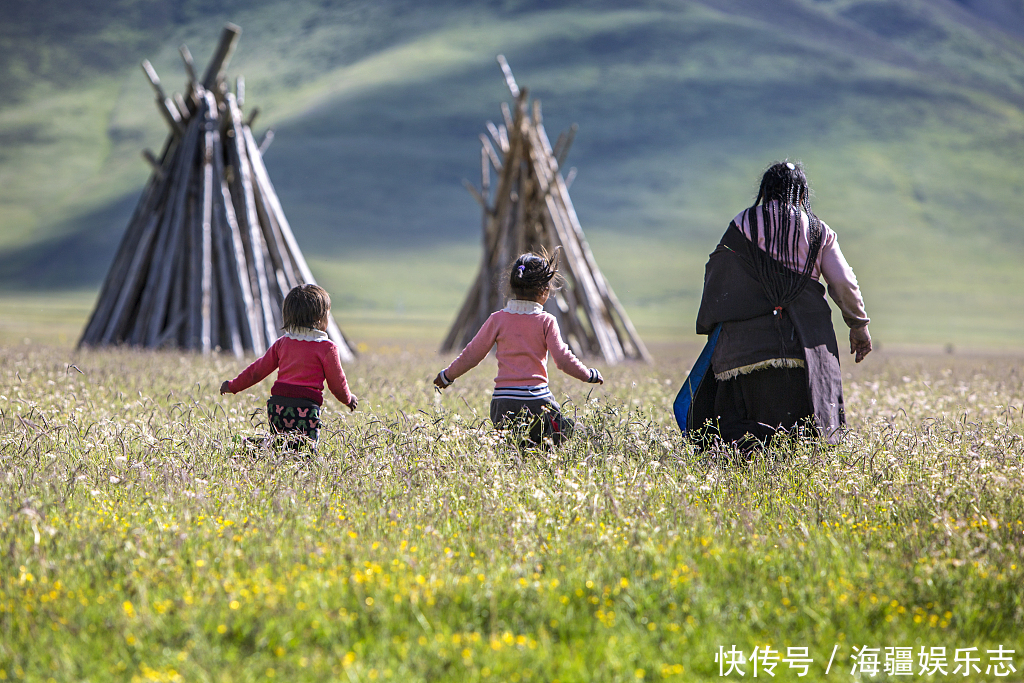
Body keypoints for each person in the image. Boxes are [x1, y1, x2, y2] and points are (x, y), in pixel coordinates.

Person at [694, 161, 871, 447]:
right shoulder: (818, 230)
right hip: (806, 342)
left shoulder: (743, 223)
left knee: (745, 440)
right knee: (803, 435)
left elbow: (719, 271)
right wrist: (858, 325)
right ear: (801, 195)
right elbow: (843, 283)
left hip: (745, 346)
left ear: (766, 190)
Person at [433, 249, 604, 446]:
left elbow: (472, 354)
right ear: (544, 291)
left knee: (511, 449)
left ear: (513, 286)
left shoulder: (497, 319)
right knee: (565, 434)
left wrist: (447, 375)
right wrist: (588, 374)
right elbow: (563, 360)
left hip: (502, 404)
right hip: (537, 402)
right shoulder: (546, 321)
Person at [220, 284, 357, 444]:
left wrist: (233, 385)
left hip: (278, 407)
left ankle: (249, 445)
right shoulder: (327, 348)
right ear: (320, 318)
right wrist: (348, 399)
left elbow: (257, 371)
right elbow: (337, 383)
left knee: (279, 446)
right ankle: (251, 445)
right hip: (306, 410)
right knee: (305, 451)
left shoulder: (282, 343)